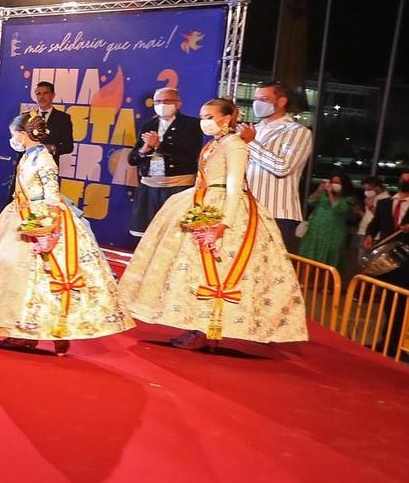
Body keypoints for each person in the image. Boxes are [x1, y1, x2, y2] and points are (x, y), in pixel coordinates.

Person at [118, 97, 307, 348]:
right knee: (192, 270)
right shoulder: (213, 145)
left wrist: (223, 224)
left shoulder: (236, 146)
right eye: (203, 117)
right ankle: (197, 325)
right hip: (200, 200)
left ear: (227, 118)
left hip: (223, 209)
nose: (204, 122)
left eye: (209, 117)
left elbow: (234, 188)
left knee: (219, 271)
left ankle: (211, 329)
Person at [0, 110, 131, 354]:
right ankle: (20, 328)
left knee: (43, 276)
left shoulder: (43, 159)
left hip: (39, 217)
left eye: (14, 135)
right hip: (20, 214)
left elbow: (52, 196)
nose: (13, 140)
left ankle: (54, 330)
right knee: (14, 272)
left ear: (23, 135)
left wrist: (48, 228)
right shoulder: (29, 156)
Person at [240, 81, 313, 240]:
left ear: (281, 102)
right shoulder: (254, 130)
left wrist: (251, 143)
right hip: (245, 209)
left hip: (276, 212)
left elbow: (283, 167)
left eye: (264, 99)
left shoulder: (297, 131)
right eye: (255, 99)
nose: (257, 104)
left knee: (271, 264)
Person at [127, 87, 203, 237]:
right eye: (158, 101)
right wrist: (145, 148)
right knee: (146, 233)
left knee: (172, 234)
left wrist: (159, 146)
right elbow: (132, 159)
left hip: (177, 187)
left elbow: (190, 154)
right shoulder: (148, 125)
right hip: (149, 185)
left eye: (167, 101)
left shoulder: (192, 125)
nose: (162, 105)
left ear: (178, 104)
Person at [296, 174, 353, 270]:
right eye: (333, 182)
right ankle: (303, 282)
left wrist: (330, 193)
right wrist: (319, 190)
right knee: (308, 258)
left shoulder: (348, 199)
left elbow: (338, 207)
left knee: (328, 261)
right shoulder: (323, 195)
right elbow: (310, 201)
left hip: (333, 235)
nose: (334, 184)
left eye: (337, 183)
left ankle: (324, 284)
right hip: (315, 232)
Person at [28, 80, 75, 157]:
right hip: (27, 165)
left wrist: (52, 148)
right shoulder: (27, 116)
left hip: (49, 165)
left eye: (45, 93)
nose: (41, 97)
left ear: (53, 95)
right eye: (38, 94)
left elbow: (68, 146)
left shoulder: (63, 118)